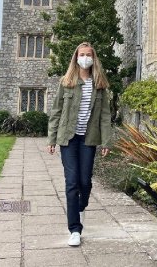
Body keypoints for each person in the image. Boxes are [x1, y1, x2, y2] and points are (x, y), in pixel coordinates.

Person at [47, 42, 112, 247]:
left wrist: (106, 141)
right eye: (81, 54)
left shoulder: (99, 84)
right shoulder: (66, 82)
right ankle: (75, 229)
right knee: (72, 182)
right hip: (68, 138)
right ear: (76, 58)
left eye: (88, 54)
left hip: (88, 139)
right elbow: (56, 112)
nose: (85, 58)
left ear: (94, 58)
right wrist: (52, 139)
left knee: (85, 182)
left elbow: (105, 116)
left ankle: (80, 206)